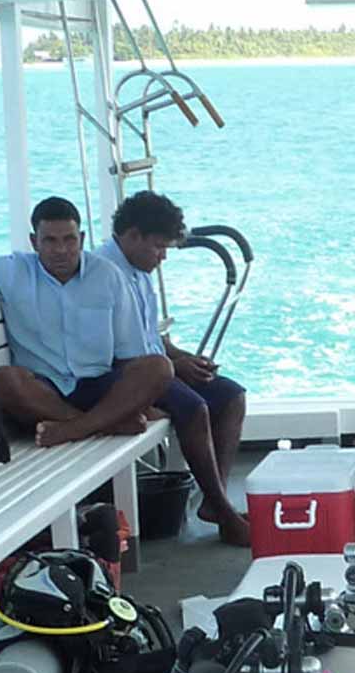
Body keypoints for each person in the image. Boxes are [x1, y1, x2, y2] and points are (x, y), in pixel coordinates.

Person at [0, 195, 170, 448]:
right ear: (34, 242)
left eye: (69, 239)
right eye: (50, 240)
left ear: (82, 238)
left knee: (158, 367)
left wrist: (135, 395)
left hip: (97, 384)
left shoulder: (108, 275)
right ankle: (99, 425)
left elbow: (130, 356)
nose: (61, 250)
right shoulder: (9, 271)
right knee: (3, 380)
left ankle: (75, 428)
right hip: (44, 390)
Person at [102, 190, 252, 548]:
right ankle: (225, 513)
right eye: (158, 247)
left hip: (156, 367)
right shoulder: (104, 275)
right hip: (125, 377)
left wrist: (183, 358)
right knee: (194, 408)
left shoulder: (138, 271)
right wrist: (174, 366)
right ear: (132, 236)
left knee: (231, 396)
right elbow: (117, 354)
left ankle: (214, 503)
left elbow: (151, 338)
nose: (163, 256)